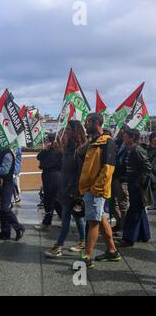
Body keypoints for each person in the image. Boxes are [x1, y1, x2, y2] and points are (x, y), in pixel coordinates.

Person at [77, 113, 121, 269]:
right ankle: (112, 250)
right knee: (100, 218)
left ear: (96, 122)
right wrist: (87, 142)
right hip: (90, 188)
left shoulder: (107, 142)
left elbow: (108, 169)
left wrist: (96, 189)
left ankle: (87, 257)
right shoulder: (93, 141)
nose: (85, 125)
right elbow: (80, 154)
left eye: (87, 122)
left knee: (93, 222)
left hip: (96, 189)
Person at [45, 120, 87, 258]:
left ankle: (59, 246)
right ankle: (83, 241)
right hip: (65, 187)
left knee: (66, 217)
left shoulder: (79, 149)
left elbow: (79, 171)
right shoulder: (68, 148)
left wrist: (76, 190)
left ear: (76, 131)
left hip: (72, 190)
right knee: (77, 216)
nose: (66, 132)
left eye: (69, 129)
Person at [118, 129, 153, 247]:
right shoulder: (130, 149)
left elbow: (147, 167)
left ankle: (129, 238)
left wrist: (140, 182)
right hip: (132, 181)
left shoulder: (137, 150)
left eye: (126, 136)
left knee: (134, 210)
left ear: (132, 138)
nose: (124, 138)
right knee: (139, 209)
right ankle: (144, 235)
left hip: (137, 184)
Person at [0, 144, 25, 241]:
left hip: (6, 184)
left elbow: (5, 171)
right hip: (0, 184)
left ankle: (19, 228)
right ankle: (5, 231)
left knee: (5, 208)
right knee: (0, 209)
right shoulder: (1, 151)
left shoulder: (8, 154)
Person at [34, 134, 63, 230]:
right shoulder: (48, 150)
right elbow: (38, 157)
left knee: (49, 199)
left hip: (53, 177)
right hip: (48, 177)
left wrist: (42, 165)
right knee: (54, 199)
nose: (46, 142)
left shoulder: (56, 151)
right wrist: (45, 150)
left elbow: (47, 163)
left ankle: (47, 223)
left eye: (47, 140)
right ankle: (64, 218)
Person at [111, 124, 130, 233]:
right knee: (113, 203)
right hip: (114, 177)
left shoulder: (129, 146)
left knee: (123, 203)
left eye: (121, 129)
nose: (119, 131)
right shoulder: (117, 142)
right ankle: (119, 223)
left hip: (122, 179)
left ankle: (124, 227)